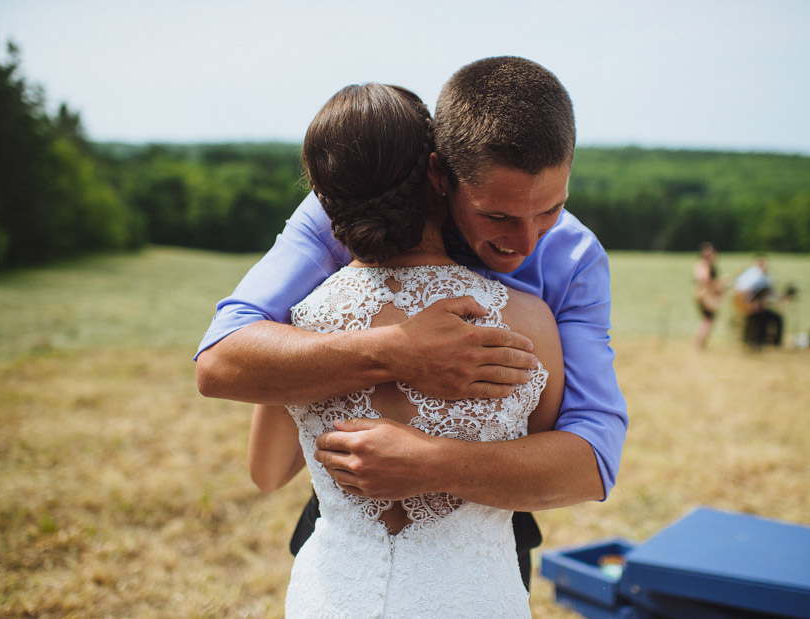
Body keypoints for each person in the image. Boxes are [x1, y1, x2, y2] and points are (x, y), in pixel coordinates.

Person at [196, 56, 628, 587]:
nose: (528, 242)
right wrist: (396, 349)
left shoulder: (577, 258)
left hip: (488, 537)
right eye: (497, 215)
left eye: (551, 209)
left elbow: (593, 459)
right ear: (437, 176)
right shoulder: (345, 211)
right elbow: (220, 359)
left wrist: (430, 463)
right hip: (346, 515)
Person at [249, 81, 564, 617]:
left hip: (336, 593)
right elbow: (538, 471)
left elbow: (266, 473)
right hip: (472, 596)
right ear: (439, 178)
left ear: (324, 199)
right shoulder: (525, 320)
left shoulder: (297, 327)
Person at [693, 242, 724, 350]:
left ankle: (701, 344)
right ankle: (699, 345)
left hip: (706, 295)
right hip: (705, 296)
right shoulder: (704, 265)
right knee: (708, 320)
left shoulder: (707, 265)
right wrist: (717, 286)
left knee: (708, 320)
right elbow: (705, 281)